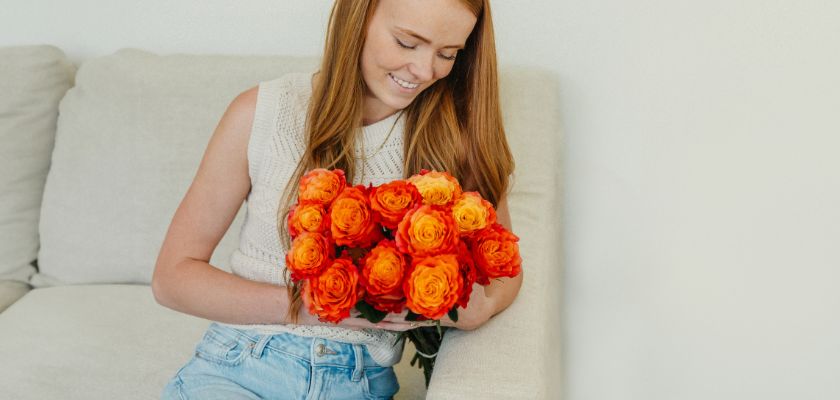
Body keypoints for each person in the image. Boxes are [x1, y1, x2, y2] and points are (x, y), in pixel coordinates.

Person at [153, 0, 522, 398]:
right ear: (358, 19)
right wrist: (314, 306)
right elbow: (173, 278)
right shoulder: (263, 113)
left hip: (361, 383)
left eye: (447, 54)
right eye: (406, 42)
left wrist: (477, 310)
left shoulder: (456, 141)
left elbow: (505, 269)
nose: (425, 70)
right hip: (241, 363)